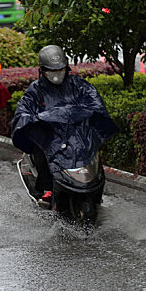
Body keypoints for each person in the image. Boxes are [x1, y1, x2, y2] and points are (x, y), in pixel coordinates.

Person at [11, 45, 118, 207]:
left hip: (76, 135)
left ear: (66, 68)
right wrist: (34, 119)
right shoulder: (35, 90)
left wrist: (83, 114)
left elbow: (94, 102)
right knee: (41, 145)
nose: (56, 76)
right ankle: (47, 187)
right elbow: (23, 110)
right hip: (51, 136)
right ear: (43, 71)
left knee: (91, 148)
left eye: (59, 71)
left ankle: (95, 188)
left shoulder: (79, 85)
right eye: (51, 71)